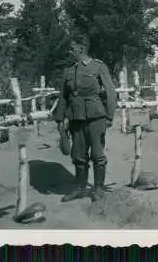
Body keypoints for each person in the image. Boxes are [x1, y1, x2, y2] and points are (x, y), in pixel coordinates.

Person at [53, 34, 117, 202]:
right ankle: (80, 188)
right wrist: (60, 119)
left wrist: (109, 116)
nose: (69, 52)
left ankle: (98, 188)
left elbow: (110, 92)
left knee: (97, 154)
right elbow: (63, 97)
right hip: (76, 118)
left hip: (96, 117)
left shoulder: (98, 67)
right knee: (78, 155)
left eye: (72, 48)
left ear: (81, 48)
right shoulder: (68, 71)